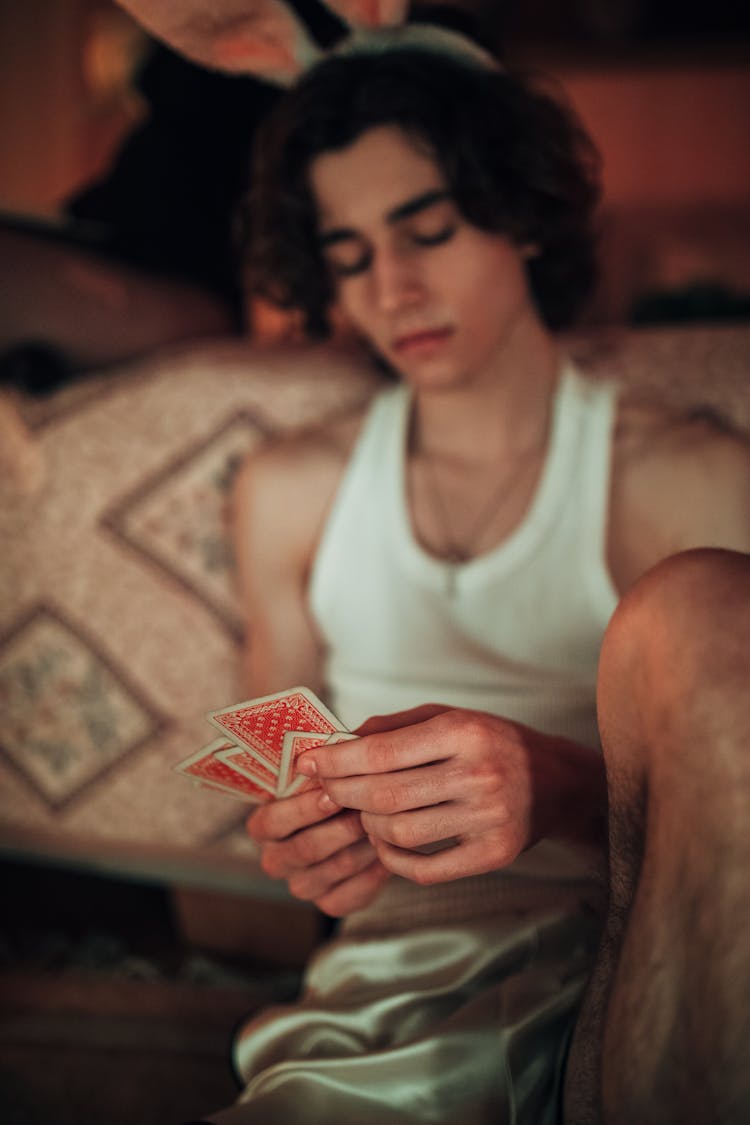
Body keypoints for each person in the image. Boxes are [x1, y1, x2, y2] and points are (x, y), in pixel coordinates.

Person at [203, 24, 750, 1125]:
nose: (391, 288)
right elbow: (282, 787)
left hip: (656, 967)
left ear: (524, 220)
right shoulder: (287, 490)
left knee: (701, 602)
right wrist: (307, 850)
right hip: (390, 997)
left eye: (429, 230)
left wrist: (557, 790)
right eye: (349, 255)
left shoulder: (683, 474)